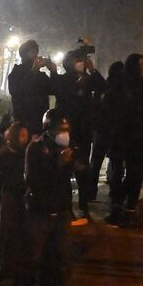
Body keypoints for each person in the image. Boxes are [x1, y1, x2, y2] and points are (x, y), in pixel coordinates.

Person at [15, 110, 81, 286]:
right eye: (60, 130)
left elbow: (78, 174)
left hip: (61, 215)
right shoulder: (36, 149)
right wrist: (57, 164)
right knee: (30, 263)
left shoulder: (65, 149)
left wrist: (75, 162)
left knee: (63, 266)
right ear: (49, 130)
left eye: (66, 130)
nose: (64, 133)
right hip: (39, 215)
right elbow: (34, 181)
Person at [107, 53, 143, 224]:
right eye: (140, 65)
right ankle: (122, 206)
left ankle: (124, 206)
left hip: (131, 136)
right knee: (125, 173)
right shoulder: (123, 84)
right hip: (127, 135)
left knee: (131, 173)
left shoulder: (134, 84)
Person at [53, 47, 104, 217]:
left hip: (83, 130)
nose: (81, 63)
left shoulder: (88, 79)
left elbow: (103, 86)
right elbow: (61, 95)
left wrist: (92, 70)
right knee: (65, 169)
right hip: (67, 131)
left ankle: (83, 205)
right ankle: (66, 207)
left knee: (83, 168)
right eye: (78, 60)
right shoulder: (62, 80)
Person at [0, 122, 30, 286]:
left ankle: (21, 278)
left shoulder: (24, 154)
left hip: (23, 200)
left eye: (26, 135)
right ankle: (6, 279)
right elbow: (9, 180)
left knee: (23, 240)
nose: (25, 138)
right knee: (9, 239)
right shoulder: (4, 156)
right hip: (10, 199)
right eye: (21, 135)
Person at [7, 40, 55, 136]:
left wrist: (53, 72)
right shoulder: (16, 73)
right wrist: (33, 70)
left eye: (36, 53)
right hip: (23, 121)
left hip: (40, 122)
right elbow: (19, 91)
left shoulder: (41, 75)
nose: (35, 56)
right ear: (23, 55)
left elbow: (54, 90)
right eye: (32, 53)